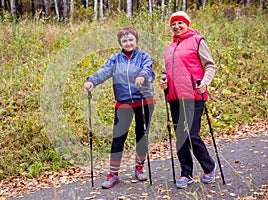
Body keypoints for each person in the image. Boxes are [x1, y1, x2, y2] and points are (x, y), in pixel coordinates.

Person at [84, 27, 156, 189]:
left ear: (136, 40)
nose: (128, 43)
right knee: (118, 138)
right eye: (124, 41)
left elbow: (149, 71)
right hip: (123, 102)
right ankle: (113, 174)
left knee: (141, 136)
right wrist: (92, 81)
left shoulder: (144, 56)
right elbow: (104, 71)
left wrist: (142, 76)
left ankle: (139, 168)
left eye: (131, 40)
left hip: (144, 101)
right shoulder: (115, 58)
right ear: (120, 43)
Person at [160, 11, 217, 189]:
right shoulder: (170, 47)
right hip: (174, 97)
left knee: (191, 135)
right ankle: (186, 174)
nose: (176, 27)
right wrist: (164, 80)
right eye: (173, 24)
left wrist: (205, 83)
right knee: (180, 136)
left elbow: (210, 65)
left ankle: (209, 167)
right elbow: (166, 70)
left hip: (194, 94)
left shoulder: (198, 40)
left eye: (180, 23)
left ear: (187, 24)